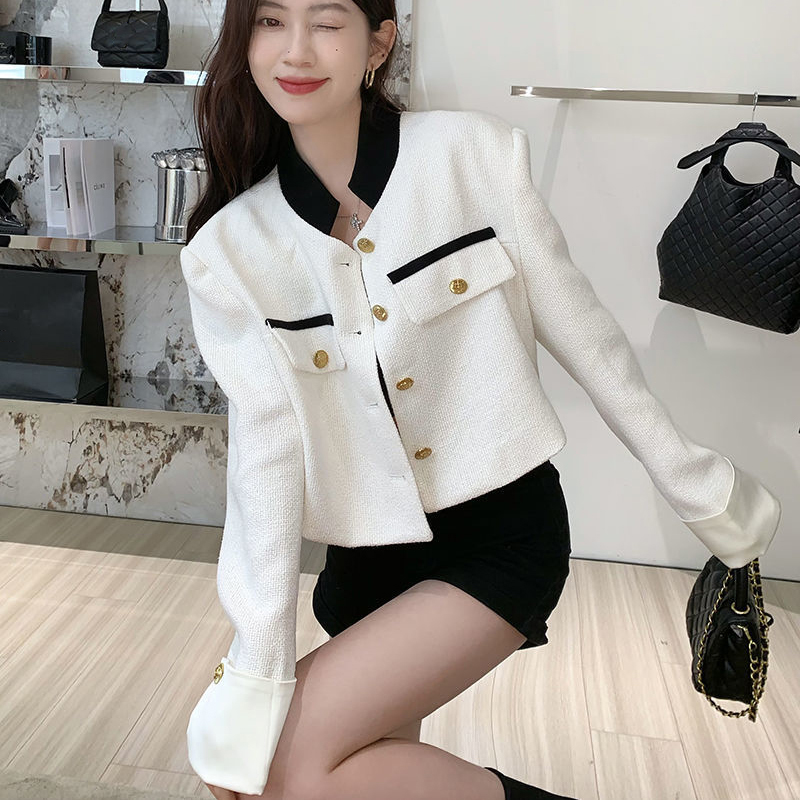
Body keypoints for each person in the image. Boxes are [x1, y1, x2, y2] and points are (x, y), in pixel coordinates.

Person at [179, 1, 782, 798]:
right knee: (318, 780)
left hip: (500, 539)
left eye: (326, 21)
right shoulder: (229, 250)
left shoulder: (473, 157)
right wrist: (256, 664)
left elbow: (589, 339)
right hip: (364, 565)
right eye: (269, 21)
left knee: (278, 779)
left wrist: (701, 488)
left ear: (378, 42)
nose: (295, 50)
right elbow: (265, 461)